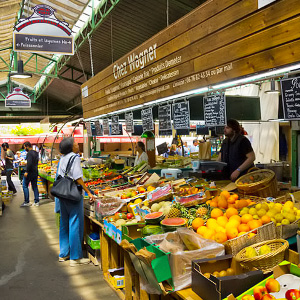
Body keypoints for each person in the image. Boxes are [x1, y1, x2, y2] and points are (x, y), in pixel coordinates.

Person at [57, 137, 95, 266]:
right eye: (75, 143)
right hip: (73, 194)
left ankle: (63, 253)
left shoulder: (62, 158)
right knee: (75, 223)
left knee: (64, 223)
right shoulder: (75, 157)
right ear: (71, 147)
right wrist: (88, 192)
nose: (77, 144)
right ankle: (75, 257)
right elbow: (78, 177)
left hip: (63, 193)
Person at [20, 141, 40, 207]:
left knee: (24, 185)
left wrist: (26, 171)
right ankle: (36, 201)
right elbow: (34, 162)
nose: (24, 148)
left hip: (30, 172)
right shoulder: (36, 153)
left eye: (25, 147)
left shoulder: (29, 153)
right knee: (34, 186)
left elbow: (30, 163)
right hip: (35, 172)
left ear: (27, 146)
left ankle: (27, 201)